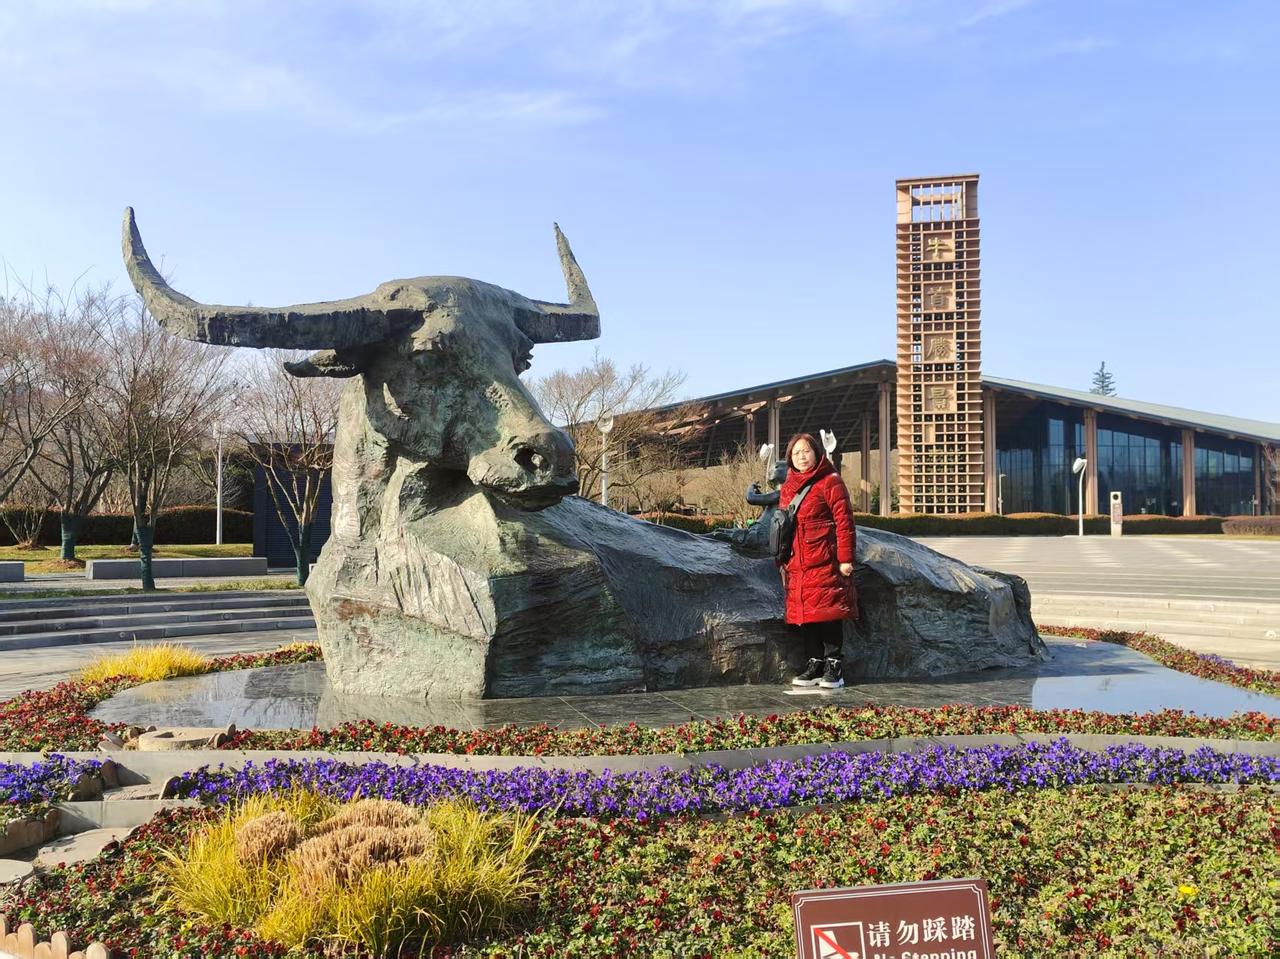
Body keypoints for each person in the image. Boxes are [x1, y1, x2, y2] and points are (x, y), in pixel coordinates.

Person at [779, 432, 856, 689]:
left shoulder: (830, 481)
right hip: (797, 562)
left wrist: (845, 559)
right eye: (796, 452)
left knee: (829, 612)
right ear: (790, 457)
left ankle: (834, 665)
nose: (802, 457)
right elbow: (784, 526)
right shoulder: (789, 485)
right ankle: (814, 664)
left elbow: (845, 522)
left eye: (806, 451)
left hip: (825, 558)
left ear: (817, 453)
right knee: (806, 615)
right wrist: (781, 560)